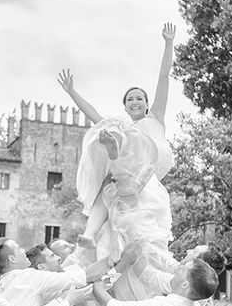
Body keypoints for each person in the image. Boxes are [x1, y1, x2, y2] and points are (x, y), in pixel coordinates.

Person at [57, 22, 176, 264]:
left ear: (146, 103)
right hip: (127, 176)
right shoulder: (124, 127)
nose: (135, 101)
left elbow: (164, 77)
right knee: (106, 184)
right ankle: (90, 234)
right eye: (130, 99)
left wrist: (168, 42)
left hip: (148, 176)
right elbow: (94, 116)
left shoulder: (155, 118)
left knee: (146, 234)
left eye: (139, 98)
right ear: (125, 106)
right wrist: (72, 93)